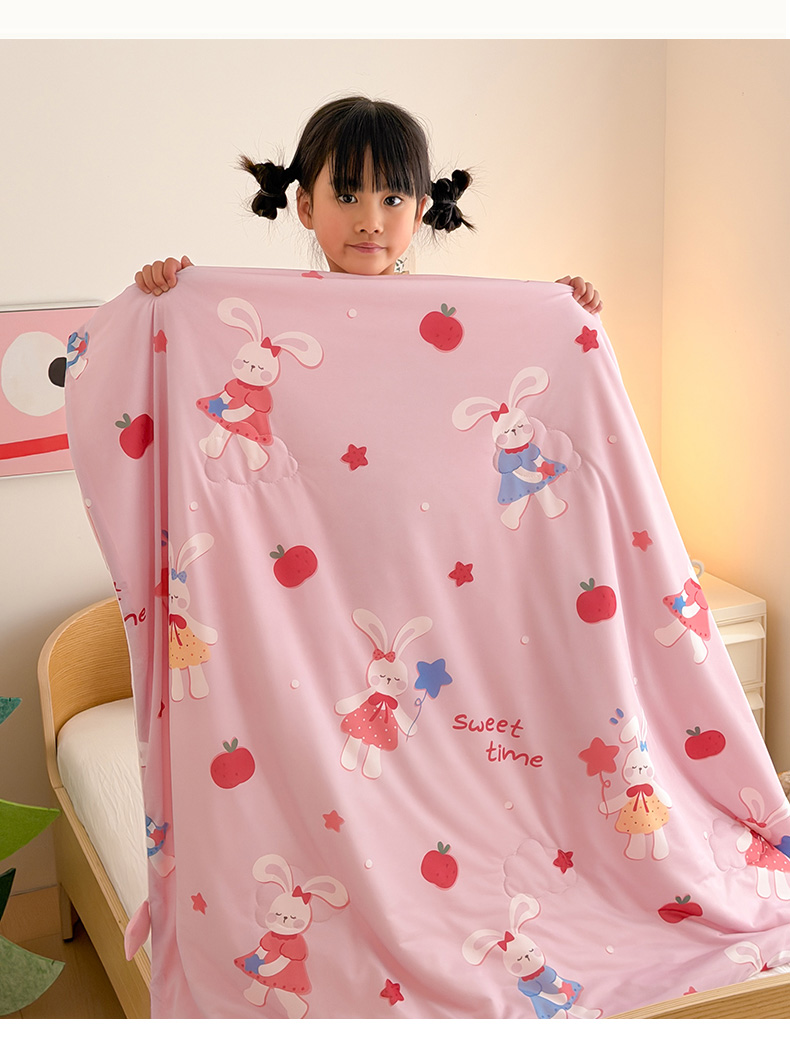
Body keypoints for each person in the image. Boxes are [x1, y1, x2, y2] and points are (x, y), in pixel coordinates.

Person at [134, 95, 602, 314]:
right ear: (306, 206)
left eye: (392, 199)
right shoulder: (271, 315)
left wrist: (560, 311)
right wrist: (177, 295)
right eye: (346, 196)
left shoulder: (453, 316)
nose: (370, 221)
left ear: (419, 212)